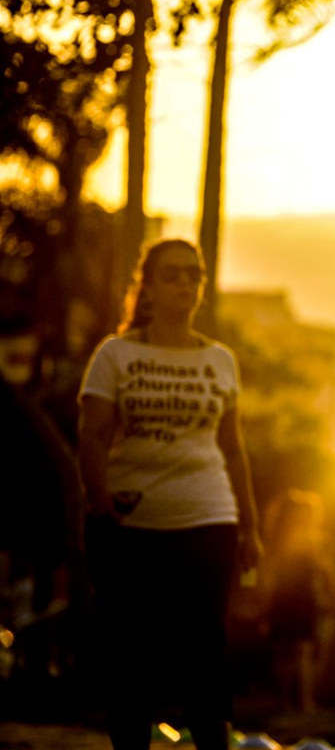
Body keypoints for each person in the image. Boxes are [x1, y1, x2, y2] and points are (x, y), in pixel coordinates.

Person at [78, 238, 262, 750]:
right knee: (131, 661)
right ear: (148, 287)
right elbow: (91, 436)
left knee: (204, 656)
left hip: (208, 521)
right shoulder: (116, 355)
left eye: (193, 275)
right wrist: (99, 501)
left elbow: (234, 448)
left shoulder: (221, 361)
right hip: (130, 528)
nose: (184, 283)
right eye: (171, 274)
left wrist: (250, 525)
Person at [262, 488, 335, 712]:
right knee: (299, 650)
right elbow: (327, 571)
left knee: (287, 650)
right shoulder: (313, 540)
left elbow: (269, 572)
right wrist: (331, 595)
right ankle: (302, 701)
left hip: (290, 599)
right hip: (302, 599)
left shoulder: (277, 539)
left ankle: (288, 699)